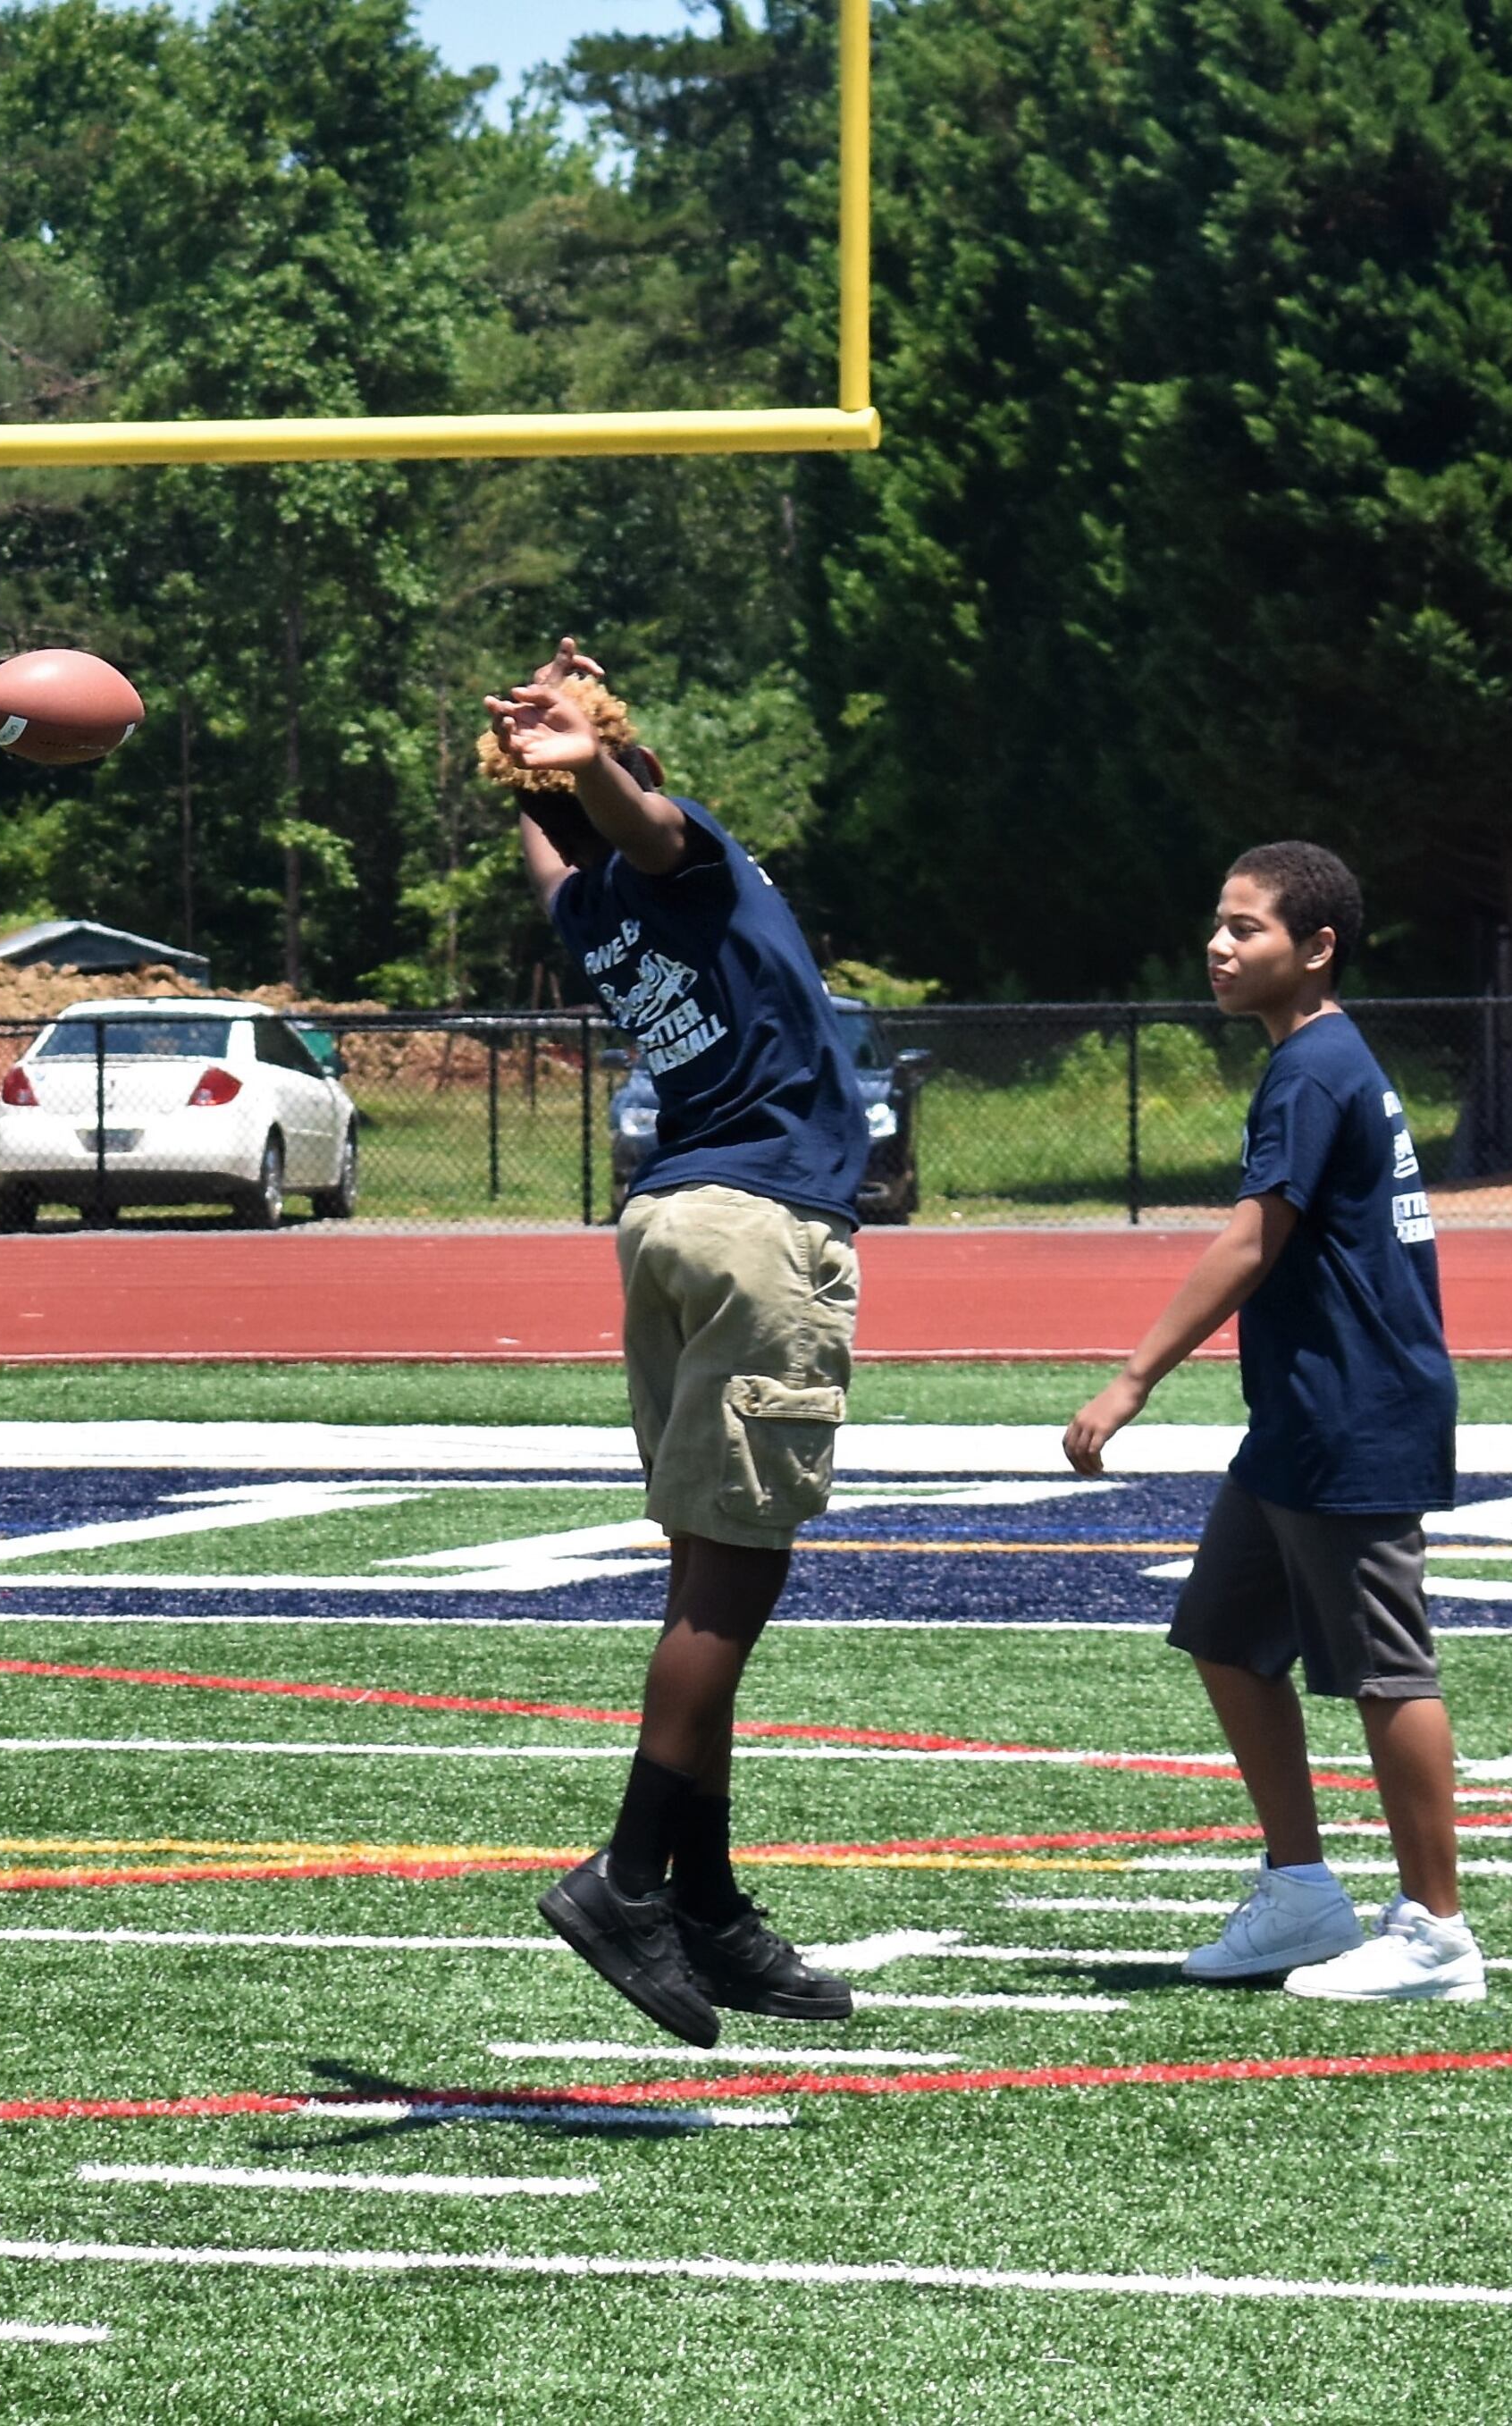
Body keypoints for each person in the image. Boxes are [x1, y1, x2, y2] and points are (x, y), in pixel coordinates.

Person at [486, 639, 869, 2048]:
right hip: (762, 1223)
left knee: (701, 1582)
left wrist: (542, 771)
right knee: (734, 1591)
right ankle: (631, 1874)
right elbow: (644, 818)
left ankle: (707, 1900)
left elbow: (567, 843)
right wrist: (584, 755)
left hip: (668, 1221)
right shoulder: (671, 860)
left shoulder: (588, 906)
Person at [1063, 841, 1482, 2003]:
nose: (1219, 944)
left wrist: (1132, 1378)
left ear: (1316, 947)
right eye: (1219, 923)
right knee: (1226, 1633)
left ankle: (1437, 1933)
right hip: (1302, 1416)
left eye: (1245, 927)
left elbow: (1254, 1238)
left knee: (1389, 1671)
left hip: (1352, 1412)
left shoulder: (1310, 1069)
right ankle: (1301, 1889)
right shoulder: (1320, 1058)